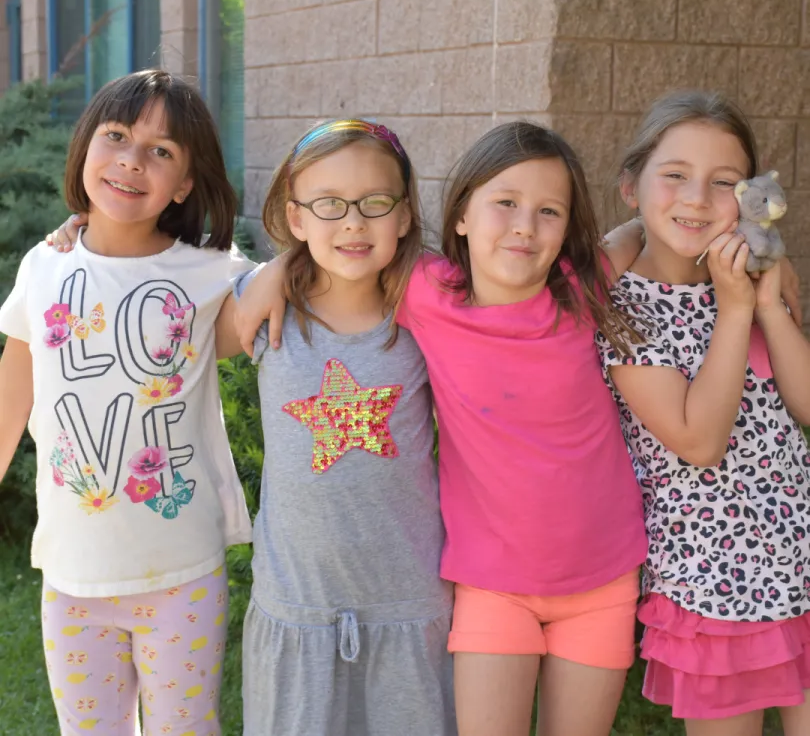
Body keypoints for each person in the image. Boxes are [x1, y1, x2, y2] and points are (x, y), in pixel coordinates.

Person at [237, 121, 652, 736]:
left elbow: (644, 230)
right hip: (491, 582)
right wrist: (282, 266)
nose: (523, 225)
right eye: (505, 203)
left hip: (602, 576)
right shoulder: (428, 293)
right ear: (459, 216)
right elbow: (345, 255)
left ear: (568, 231)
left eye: (548, 211)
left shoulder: (581, 292)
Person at [0, 69, 253, 736]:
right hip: (73, 574)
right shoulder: (43, 266)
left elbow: (286, 295)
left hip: (182, 572)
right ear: (85, 147)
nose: (132, 162)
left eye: (162, 151)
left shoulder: (211, 274)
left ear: (187, 183)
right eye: (115, 136)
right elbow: (10, 396)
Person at [232, 119, 455, 735]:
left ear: (405, 216)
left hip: (409, 600)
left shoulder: (429, 314)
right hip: (299, 605)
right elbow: (166, 287)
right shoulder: (260, 305)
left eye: (374, 204)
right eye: (329, 205)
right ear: (295, 217)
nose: (353, 222)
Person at [597, 90, 810, 735]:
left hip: (800, 550)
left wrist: (769, 305)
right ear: (631, 186)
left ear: (748, 199)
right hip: (713, 577)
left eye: (723, 183)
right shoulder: (622, 308)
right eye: (675, 176)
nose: (695, 198)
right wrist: (736, 309)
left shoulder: (758, 274)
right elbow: (698, 440)